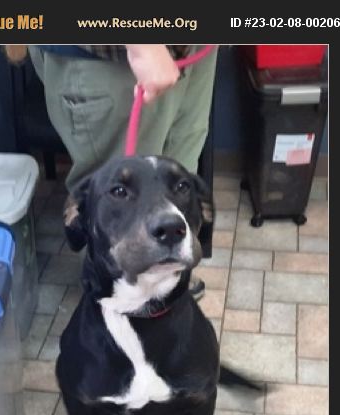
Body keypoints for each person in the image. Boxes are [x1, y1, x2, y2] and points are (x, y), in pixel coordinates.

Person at [21, 45, 218, 299]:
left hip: (195, 48)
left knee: (178, 175)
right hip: (112, 54)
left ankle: (169, 279)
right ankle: (121, 302)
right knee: (122, 201)